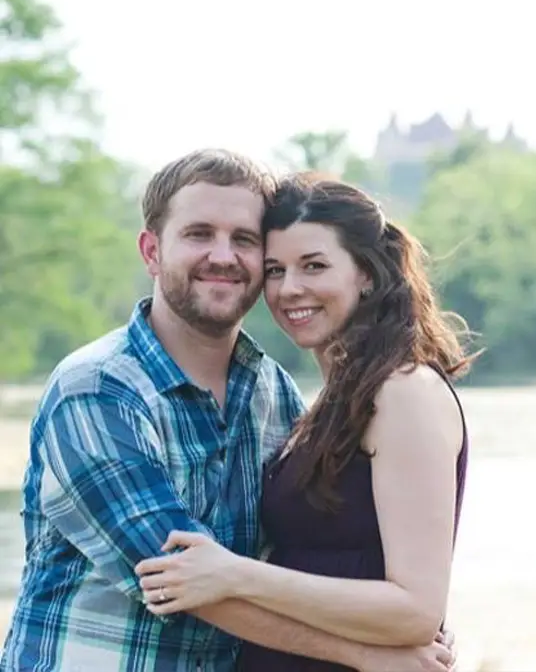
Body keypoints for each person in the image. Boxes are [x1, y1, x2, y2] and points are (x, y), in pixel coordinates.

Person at [0, 151, 455, 672]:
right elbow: (182, 581)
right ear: (151, 251)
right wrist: (370, 653)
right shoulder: (97, 390)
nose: (223, 256)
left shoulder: (272, 392)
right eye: (198, 234)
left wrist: (401, 621)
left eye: (244, 240)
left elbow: (287, 556)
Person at [134, 174, 476, 671]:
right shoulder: (325, 404)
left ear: (366, 273)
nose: (290, 289)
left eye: (313, 266)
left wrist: (235, 574)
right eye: (275, 270)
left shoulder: (404, 392)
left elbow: (416, 612)